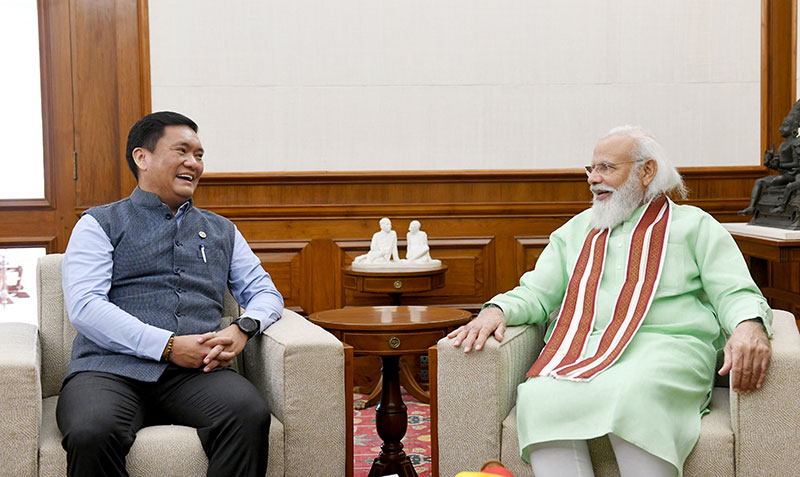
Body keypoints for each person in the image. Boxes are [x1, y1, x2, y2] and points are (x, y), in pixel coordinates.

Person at [448, 126, 772, 477]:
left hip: (667, 348)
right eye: (591, 169)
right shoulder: (575, 231)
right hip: (583, 347)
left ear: (646, 171)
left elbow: (734, 290)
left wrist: (748, 325)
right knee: (540, 396)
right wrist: (496, 310)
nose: (593, 179)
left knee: (635, 392)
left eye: (606, 168)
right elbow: (536, 293)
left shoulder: (694, 226)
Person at [57, 111, 284, 477]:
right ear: (142, 157)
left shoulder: (222, 230)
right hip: (108, 369)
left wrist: (243, 328)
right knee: (91, 431)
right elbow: (86, 307)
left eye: (199, 154)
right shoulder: (99, 223)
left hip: (198, 372)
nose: (193, 163)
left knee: (248, 414)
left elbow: (265, 293)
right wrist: (168, 346)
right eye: (182, 151)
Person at [739, 99, 800, 215]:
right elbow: (779, 167)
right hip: (783, 174)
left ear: (793, 130)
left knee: (775, 180)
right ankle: (752, 207)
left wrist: (780, 164)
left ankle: (781, 206)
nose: (780, 129)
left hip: (790, 176)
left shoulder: (795, 143)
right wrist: (769, 163)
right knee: (759, 181)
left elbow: (797, 164)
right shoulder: (782, 145)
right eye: (782, 126)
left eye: (785, 126)